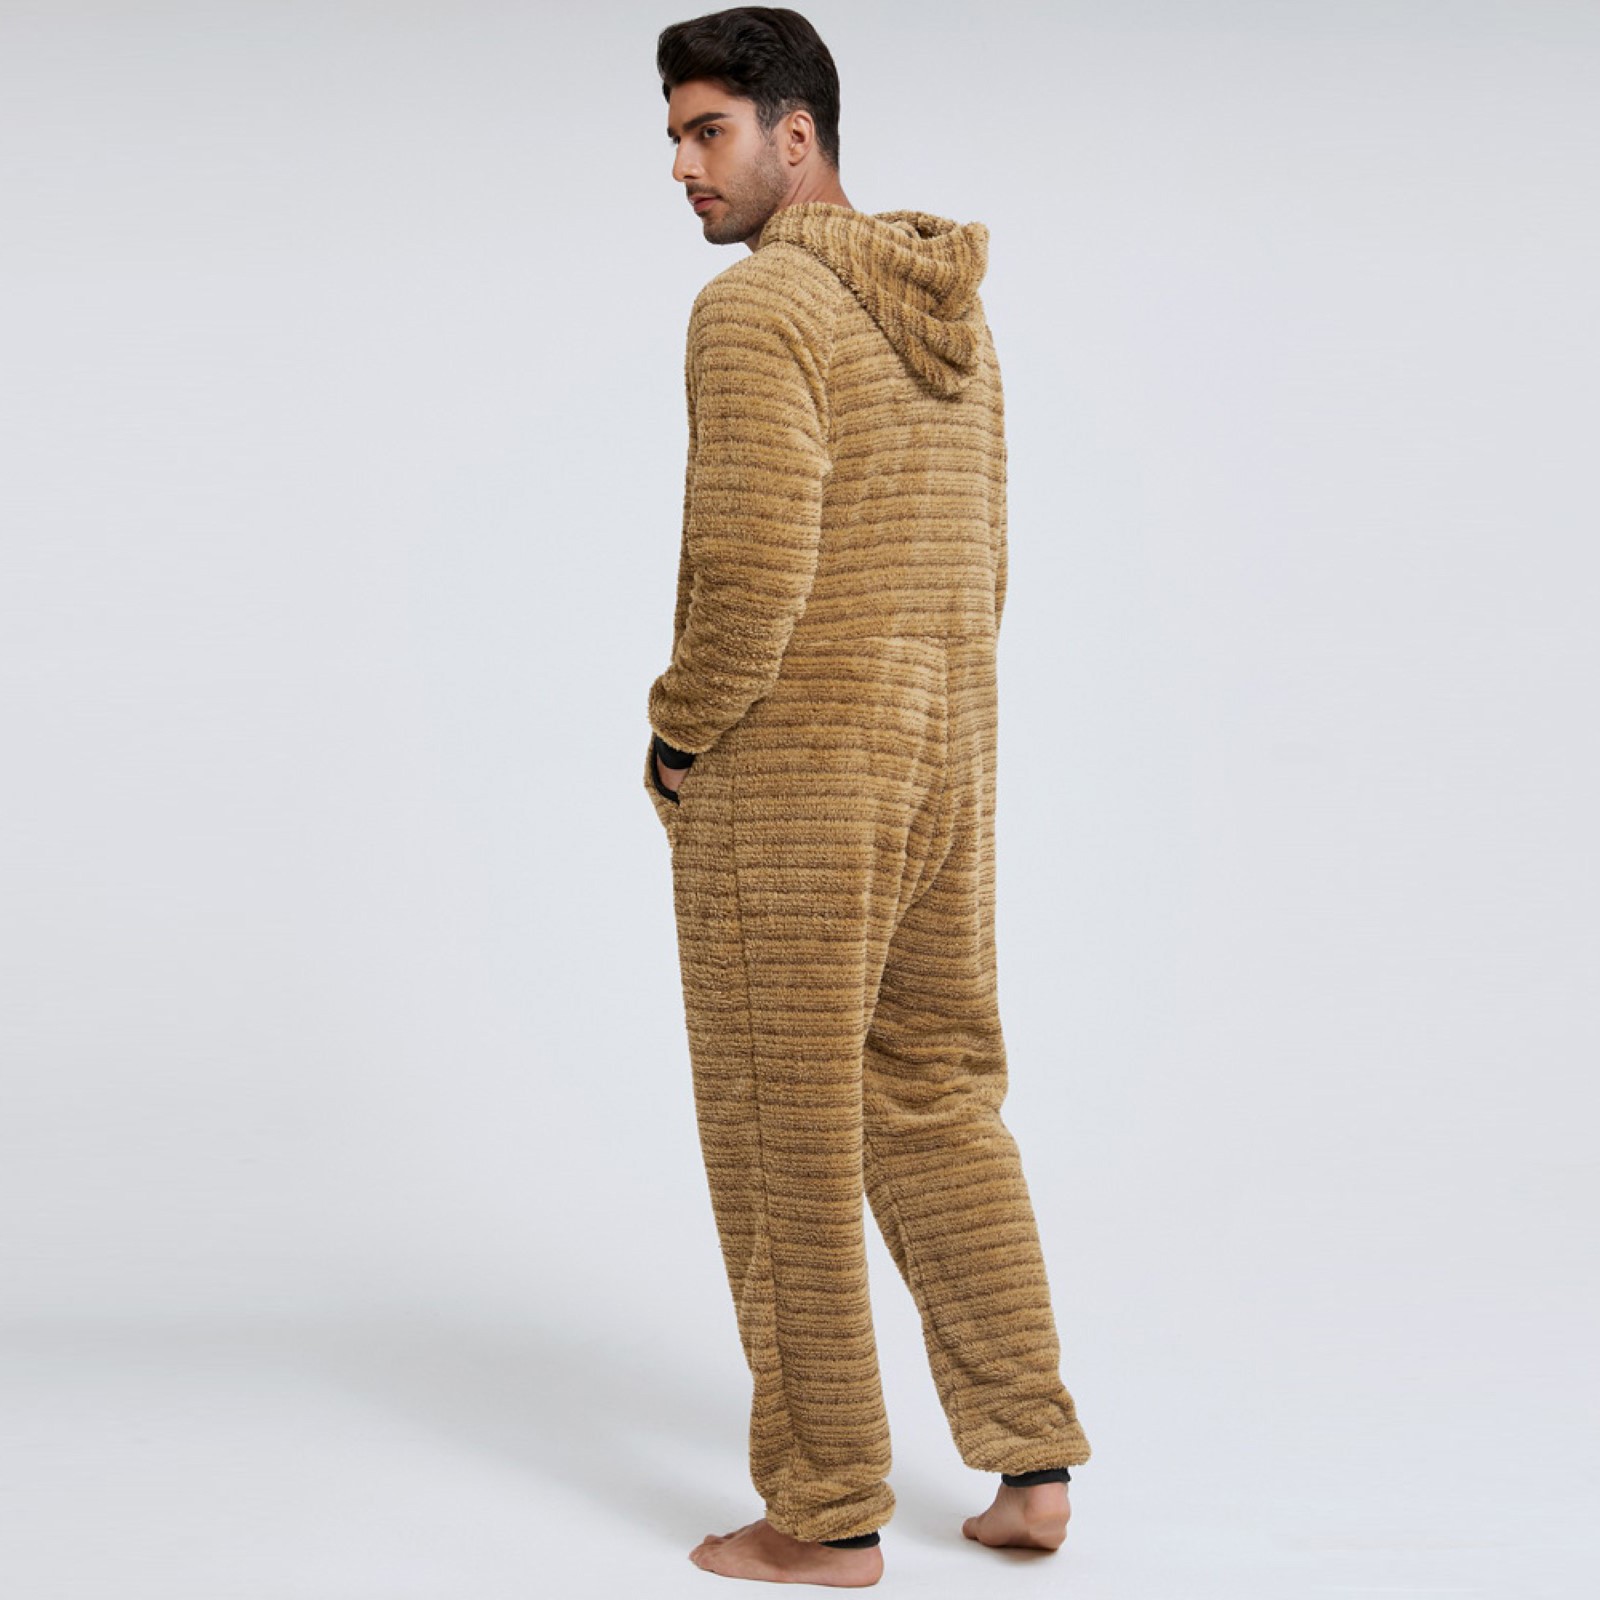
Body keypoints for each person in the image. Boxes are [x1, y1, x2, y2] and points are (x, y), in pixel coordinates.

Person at [643, 8, 1091, 1585]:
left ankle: (824, 1510)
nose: (684, 167)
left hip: (794, 783)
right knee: (936, 1100)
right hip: (943, 757)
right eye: (674, 137)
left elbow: (749, 570)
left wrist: (678, 736)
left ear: (798, 133)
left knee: (786, 1138)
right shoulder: (953, 319)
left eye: (709, 131)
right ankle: (1030, 1466)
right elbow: (990, 566)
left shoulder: (757, 308)